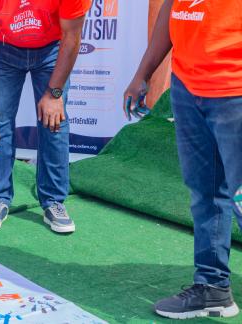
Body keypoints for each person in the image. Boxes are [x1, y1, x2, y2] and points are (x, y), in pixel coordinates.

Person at [125, 0, 242, 319]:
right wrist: (143, 72)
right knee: (206, 193)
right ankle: (213, 288)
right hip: (188, 88)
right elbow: (170, 7)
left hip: (235, 89)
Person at [0, 0, 90, 233]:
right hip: (3, 46)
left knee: (54, 122)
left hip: (53, 48)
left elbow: (72, 37)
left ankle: (53, 201)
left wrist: (55, 94)